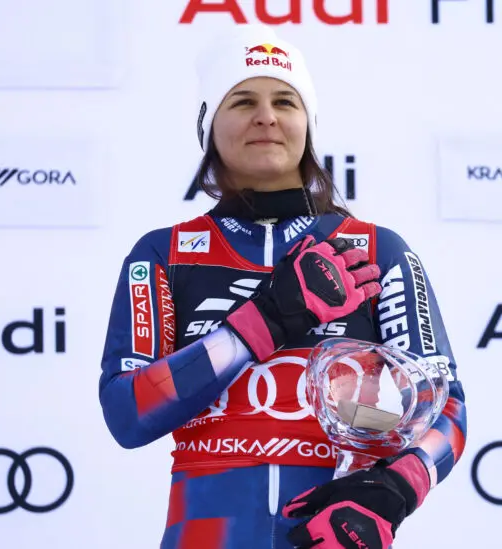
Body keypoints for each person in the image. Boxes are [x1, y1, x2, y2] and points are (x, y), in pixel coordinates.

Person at [98, 24, 467, 549]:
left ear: (308, 125)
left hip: (333, 533)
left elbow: (445, 406)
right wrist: (262, 322)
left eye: (285, 102)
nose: (266, 116)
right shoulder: (164, 253)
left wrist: (393, 490)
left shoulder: (375, 249)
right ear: (209, 125)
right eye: (243, 100)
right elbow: (128, 412)